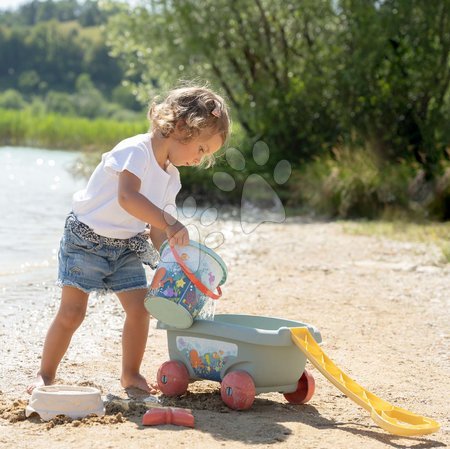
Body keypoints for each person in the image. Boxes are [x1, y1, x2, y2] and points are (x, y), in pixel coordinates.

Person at [27, 85, 231, 394]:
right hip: (86, 240)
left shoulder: (171, 177)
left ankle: (130, 374)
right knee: (72, 313)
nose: (199, 160)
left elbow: (157, 230)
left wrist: (175, 262)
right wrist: (171, 222)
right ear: (180, 127)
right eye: (201, 150)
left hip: (127, 246)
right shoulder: (136, 151)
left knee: (140, 310)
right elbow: (127, 198)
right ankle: (45, 374)